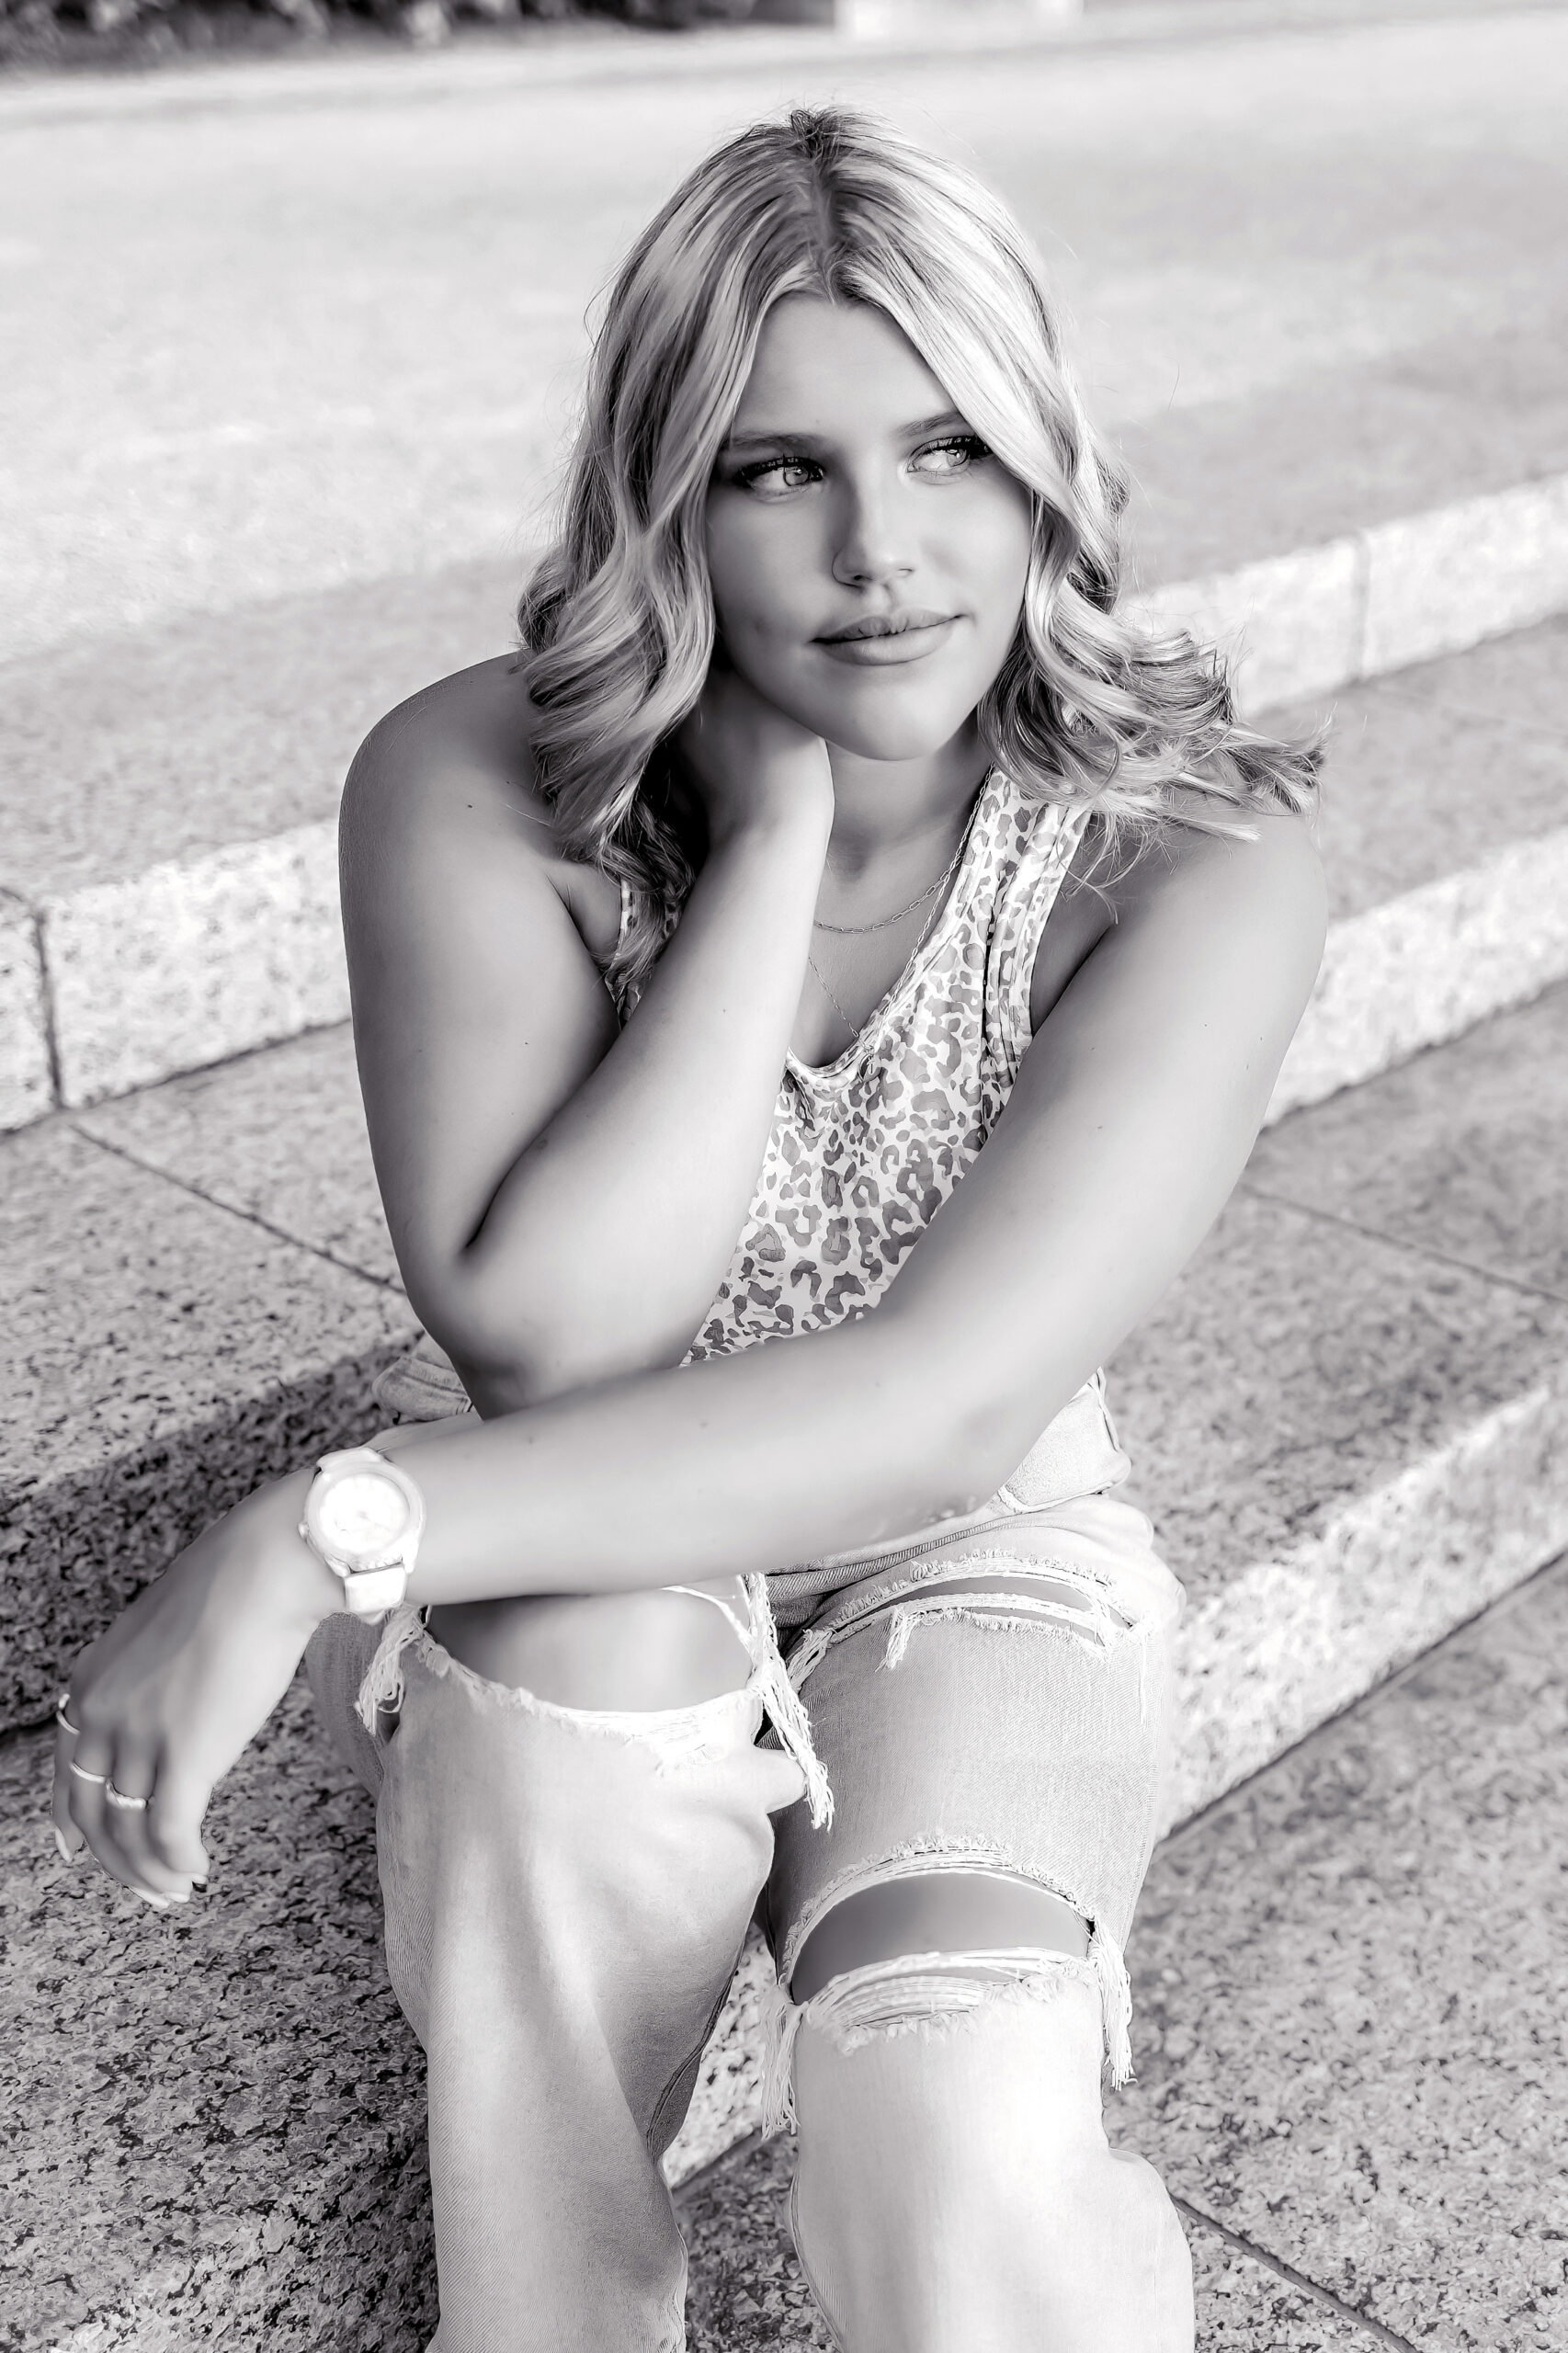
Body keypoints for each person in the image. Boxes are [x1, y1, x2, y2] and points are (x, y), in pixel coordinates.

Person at [52, 106, 1324, 2352]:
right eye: (775, 468)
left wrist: (310, 1527)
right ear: (667, 492)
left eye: (947, 449)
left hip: (980, 1551)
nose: (881, 551)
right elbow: (554, 1340)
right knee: (575, 1700)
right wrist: (759, 849)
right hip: (601, 1540)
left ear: (1042, 459)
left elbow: (939, 1416)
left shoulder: (1186, 856)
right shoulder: (465, 780)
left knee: (964, 2147)